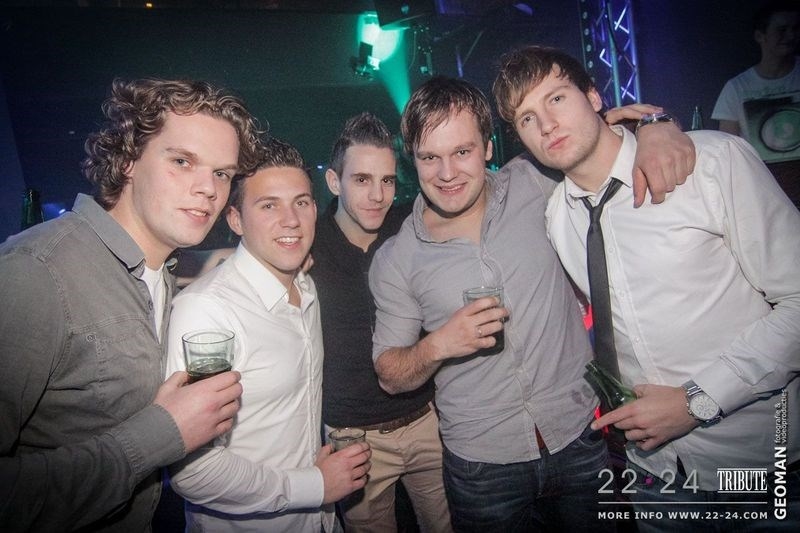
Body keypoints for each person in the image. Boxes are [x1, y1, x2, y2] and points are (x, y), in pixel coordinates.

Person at [494, 44, 800, 531]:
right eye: (527, 118)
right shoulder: (558, 218)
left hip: (757, 463)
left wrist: (696, 401)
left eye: (556, 98)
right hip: (654, 476)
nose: (547, 125)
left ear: (593, 96)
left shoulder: (710, 163)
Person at [368, 75, 694, 532]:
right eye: (429, 157)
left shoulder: (534, 181)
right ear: (412, 160)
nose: (447, 173)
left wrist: (657, 125)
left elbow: (598, 137)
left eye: (462, 151)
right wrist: (439, 344)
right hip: (482, 468)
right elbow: (390, 375)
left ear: (487, 147)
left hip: (580, 437)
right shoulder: (396, 259)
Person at [0, 78, 262, 532]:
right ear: (127, 161)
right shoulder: (35, 273)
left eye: (222, 173)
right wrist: (160, 433)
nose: (208, 189)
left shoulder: (162, 269)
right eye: (182, 161)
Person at [165, 137, 372, 532]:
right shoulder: (208, 313)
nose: (291, 220)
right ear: (235, 220)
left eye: (301, 202)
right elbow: (194, 472)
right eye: (268, 205)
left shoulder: (306, 287)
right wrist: (314, 485)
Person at [311, 112, 452, 533]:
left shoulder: (410, 227)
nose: (377, 195)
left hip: (425, 420)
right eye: (362, 180)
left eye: (387, 180)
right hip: (353, 437)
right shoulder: (307, 244)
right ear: (334, 182)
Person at [712, 1, 800, 141]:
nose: (791, 36)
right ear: (760, 36)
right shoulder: (737, 87)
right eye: (782, 30)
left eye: (795, 29)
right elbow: (727, 143)